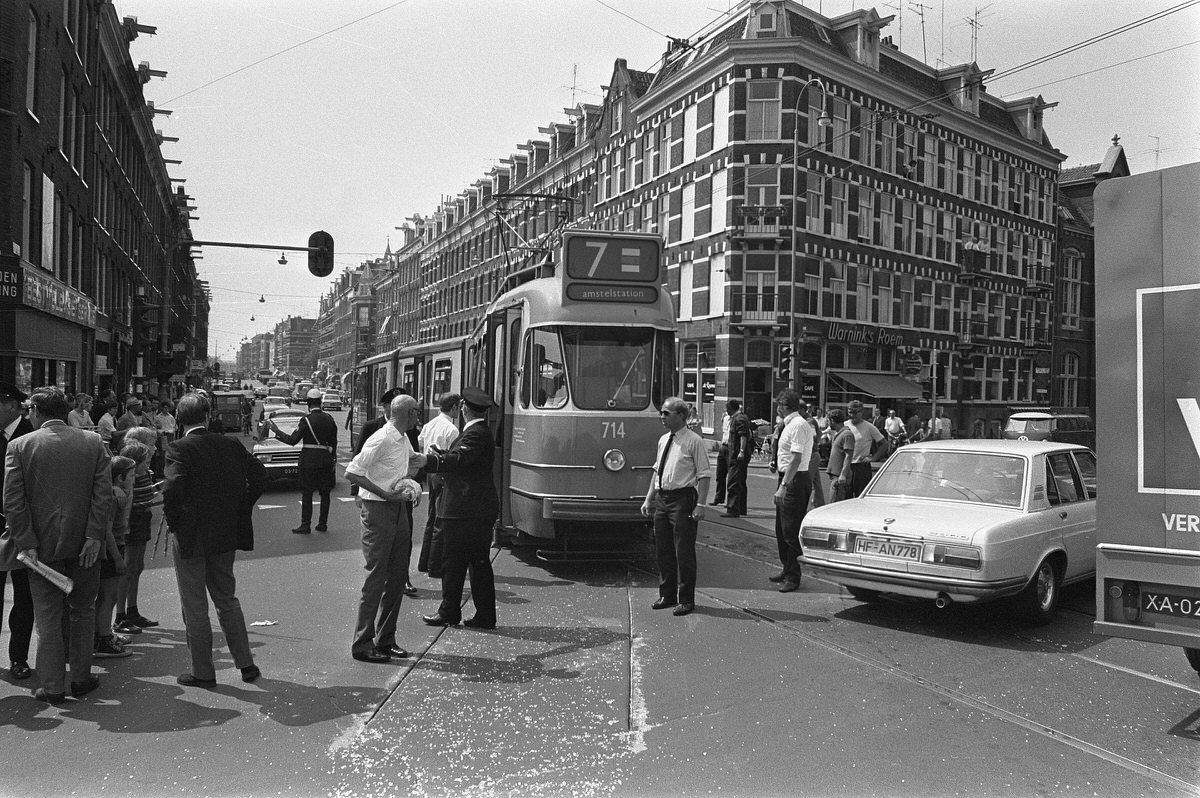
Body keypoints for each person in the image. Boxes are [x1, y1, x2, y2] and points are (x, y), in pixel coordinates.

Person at [1, 386, 112, 703]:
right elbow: (102, 495)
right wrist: (94, 536)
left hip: (41, 548)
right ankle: (80, 679)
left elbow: (13, 502)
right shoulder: (92, 442)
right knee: (82, 611)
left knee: (47, 619)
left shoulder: (20, 446)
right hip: (85, 544)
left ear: (36, 412)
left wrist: (26, 542)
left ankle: (51, 686)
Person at [163, 393, 267, 687]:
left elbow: (173, 489)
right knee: (226, 598)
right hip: (224, 533)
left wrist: (175, 523)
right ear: (208, 416)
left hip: (191, 535)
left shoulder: (178, 449)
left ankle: (203, 671)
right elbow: (259, 477)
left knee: (194, 604)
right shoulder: (231, 444)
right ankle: (246, 664)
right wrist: (241, 506)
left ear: (180, 420)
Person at [344, 393, 423, 662]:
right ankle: (362, 643)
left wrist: (411, 480)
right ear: (405, 413)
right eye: (415, 412)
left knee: (398, 576)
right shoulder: (381, 437)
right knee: (376, 576)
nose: (418, 416)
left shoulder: (402, 439)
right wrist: (385, 493)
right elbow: (352, 471)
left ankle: (385, 638)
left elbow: (412, 460)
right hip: (378, 509)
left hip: (398, 508)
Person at [417, 387, 501, 629]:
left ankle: (449, 611)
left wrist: (431, 460)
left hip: (465, 511)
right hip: (475, 510)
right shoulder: (478, 432)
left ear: (463, 408)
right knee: (478, 563)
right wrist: (443, 454)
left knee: (453, 563)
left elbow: (461, 460)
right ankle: (484, 616)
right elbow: (463, 459)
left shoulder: (475, 433)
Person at [639, 396, 711, 616]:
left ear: (681, 416)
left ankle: (686, 599)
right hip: (663, 499)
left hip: (683, 500)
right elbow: (657, 471)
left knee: (684, 552)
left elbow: (704, 475)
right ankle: (667, 594)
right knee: (663, 550)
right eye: (661, 412)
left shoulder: (694, 441)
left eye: (666, 413)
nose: (662, 417)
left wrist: (701, 505)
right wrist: (649, 498)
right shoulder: (663, 440)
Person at [351, 387, 418, 596]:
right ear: (388, 407)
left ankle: (402, 578)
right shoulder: (375, 430)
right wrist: (357, 492)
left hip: (400, 499)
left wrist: (411, 480)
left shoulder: (407, 434)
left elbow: (411, 458)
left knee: (402, 545)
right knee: (378, 559)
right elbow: (356, 465)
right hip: (379, 502)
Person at [0, 383, 35, 681]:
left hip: (24, 529)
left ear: (10, 405)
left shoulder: (29, 434)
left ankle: (18, 658)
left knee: (24, 597)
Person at [269, 388, 338, 534]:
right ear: (320, 402)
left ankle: (305, 524)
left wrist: (276, 431)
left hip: (309, 463)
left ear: (308, 403)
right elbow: (333, 443)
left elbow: (293, 440)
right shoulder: (329, 419)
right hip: (325, 462)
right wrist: (332, 461)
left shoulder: (305, 420)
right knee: (325, 494)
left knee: (307, 494)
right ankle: (322, 524)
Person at [115, 440, 160, 633]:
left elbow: (146, 494)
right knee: (127, 568)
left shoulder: (145, 475)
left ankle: (132, 610)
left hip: (142, 520)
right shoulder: (128, 479)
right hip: (131, 523)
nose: (149, 462)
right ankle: (120, 615)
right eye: (145, 460)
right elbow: (132, 501)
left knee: (137, 567)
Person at [771, 390, 814, 592]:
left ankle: (793, 576)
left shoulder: (797, 425)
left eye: (778, 404)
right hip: (788, 477)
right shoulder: (790, 424)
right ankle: (787, 567)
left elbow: (796, 458)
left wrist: (783, 486)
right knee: (781, 528)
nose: (777, 408)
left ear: (782, 405)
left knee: (790, 530)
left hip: (794, 480)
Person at [94, 454, 135, 659]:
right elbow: (106, 530)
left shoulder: (115, 492)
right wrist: (117, 557)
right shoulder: (112, 497)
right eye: (132, 475)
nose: (134, 479)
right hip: (112, 550)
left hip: (114, 547)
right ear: (120, 477)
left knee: (106, 596)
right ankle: (103, 639)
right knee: (108, 597)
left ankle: (104, 633)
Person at [416, 392, 461, 580]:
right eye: (458, 407)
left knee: (431, 518)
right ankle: (435, 565)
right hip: (443, 475)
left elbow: (420, 445)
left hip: (430, 473)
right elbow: (453, 457)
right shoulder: (452, 430)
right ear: (454, 408)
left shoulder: (429, 424)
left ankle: (424, 561)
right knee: (441, 520)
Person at [846, 399, 888, 498]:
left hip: (861, 467)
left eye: (856, 412)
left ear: (862, 412)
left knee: (860, 498)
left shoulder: (869, 427)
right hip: (846, 466)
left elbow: (884, 444)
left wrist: (873, 458)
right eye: (851, 412)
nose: (853, 415)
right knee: (845, 499)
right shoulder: (845, 425)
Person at [721, 400, 751, 518]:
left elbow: (743, 436)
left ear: (731, 408)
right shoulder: (738, 418)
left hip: (737, 456)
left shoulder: (739, 419)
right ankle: (742, 508)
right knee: (740, 481)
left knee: (733, 482)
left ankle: (732, 509)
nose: (726, 411)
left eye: (727, 408)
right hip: (736, 454)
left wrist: (741, 452)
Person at [825, 409, 854, 502]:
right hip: (835, 476)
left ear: (832, 421)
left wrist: (843, 475)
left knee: (835, 504)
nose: (828, 423)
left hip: (839, 478)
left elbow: (848, 456)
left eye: (828, 421)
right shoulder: (838, 434)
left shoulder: (847, 434)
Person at [709, 406, 731, 507]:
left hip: (731, 448)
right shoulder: (725, 418)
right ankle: (719, 498)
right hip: (723, 446)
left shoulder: (738, 419)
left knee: (731, 477)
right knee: (720, 475)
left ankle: (731, 501)